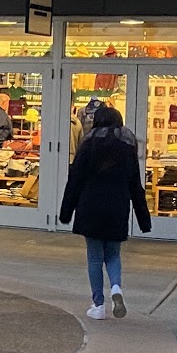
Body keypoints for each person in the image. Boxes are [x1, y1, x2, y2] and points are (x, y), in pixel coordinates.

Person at [58, 103, 150, 320]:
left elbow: (75, 181)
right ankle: (116, 287)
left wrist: (66, 212)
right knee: (113, 254)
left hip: (90, 207)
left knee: (94, 257)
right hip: (117, 208)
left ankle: (98, 305)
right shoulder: (127, 148)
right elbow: (135, 186)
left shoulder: (88, 145)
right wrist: (144, 219)